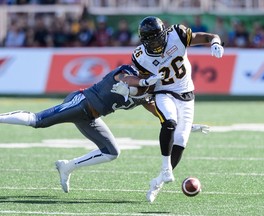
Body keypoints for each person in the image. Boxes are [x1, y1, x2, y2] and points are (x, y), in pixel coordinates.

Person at [0, 64, 209, 193]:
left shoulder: (147, 94)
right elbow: (126, 79)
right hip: (80, 103)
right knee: (38, 121)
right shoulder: (129, 72)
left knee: (112, 152)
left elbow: (159, 114)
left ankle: (67, 166)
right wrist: (143, 80)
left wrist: (187, 126)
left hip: (91, 117)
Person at [130, 16, 224, 203]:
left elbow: (209, 36)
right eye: (152, 40)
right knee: (170, 122)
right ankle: (166, 168)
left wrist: (215, 43)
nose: (157, 43)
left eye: (159, 37)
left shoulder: (177, 34)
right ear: (145, 41)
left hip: (186, 93)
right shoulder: (140, 56)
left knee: (180, 141)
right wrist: (139, 86)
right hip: (163, 92)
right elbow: (143, 85)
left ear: (164, 33)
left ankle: (157, 182)